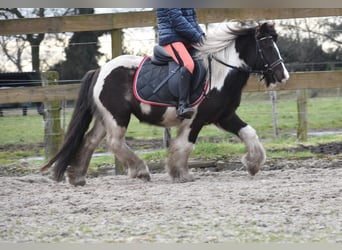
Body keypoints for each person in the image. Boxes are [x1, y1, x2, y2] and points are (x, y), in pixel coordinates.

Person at [156, 8, 205, 119]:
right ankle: (182, 105)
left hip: (187, 38)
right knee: (188, 64)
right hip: (172, 38)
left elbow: (192, 20)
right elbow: (177, 20)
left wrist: (202, 36)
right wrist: (197, 37)